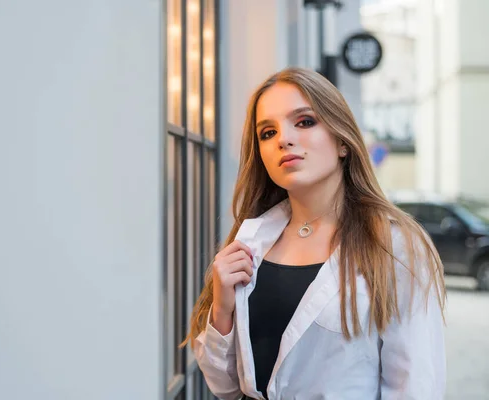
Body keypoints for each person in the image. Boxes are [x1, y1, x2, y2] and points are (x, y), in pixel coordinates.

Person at [180, 68, 446, 400]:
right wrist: (221, 310)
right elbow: (226, 388)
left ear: (343, 142)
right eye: (267, 132)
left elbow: (416, 386)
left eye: (304, 122)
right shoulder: (249, 242)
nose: (284, 139)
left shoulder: (394, 247)